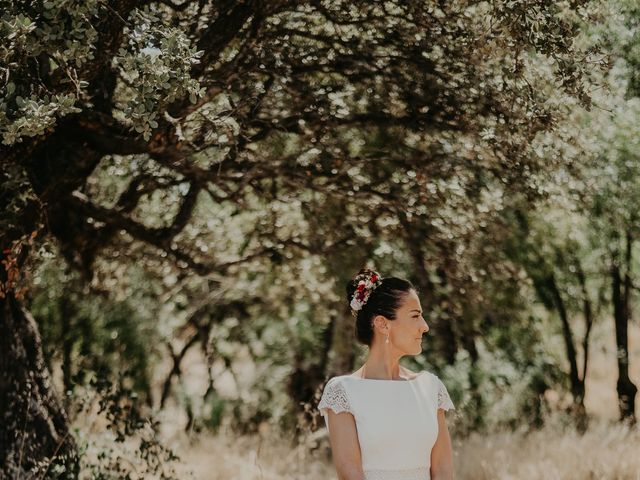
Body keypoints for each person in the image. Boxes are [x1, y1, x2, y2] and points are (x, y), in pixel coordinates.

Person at [317, 268, 455, 480]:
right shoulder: (343, 392)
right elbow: (350, 474)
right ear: (382, 324)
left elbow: (444, 471)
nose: (425, 327)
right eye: (415, 316)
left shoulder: (430, 387)